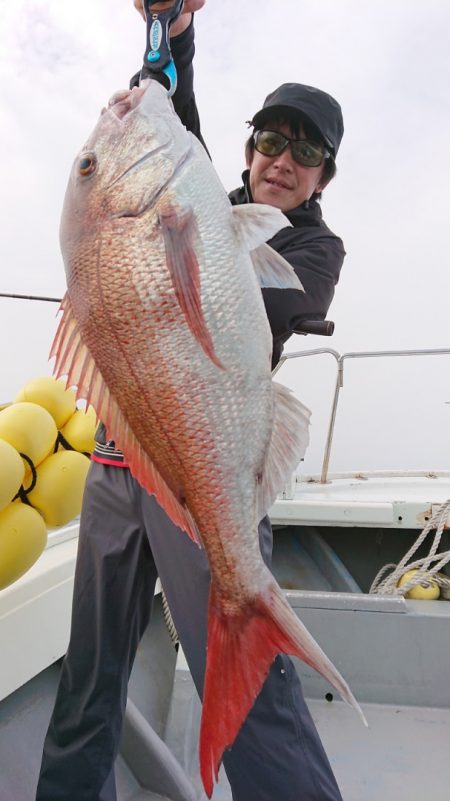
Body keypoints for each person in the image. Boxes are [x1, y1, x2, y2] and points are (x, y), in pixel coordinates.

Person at [36, 2, 346, 800]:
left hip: (208, 466)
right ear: (246, 149)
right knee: (88, 672)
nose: (283, 159)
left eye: (305, 150)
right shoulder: (200, 193)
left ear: (322, 174)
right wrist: (171, 32)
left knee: (247, 695)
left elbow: (281, 301)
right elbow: (176, 110)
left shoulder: (313, 243)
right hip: (114, 460)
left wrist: (191, 249)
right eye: (271, 140)